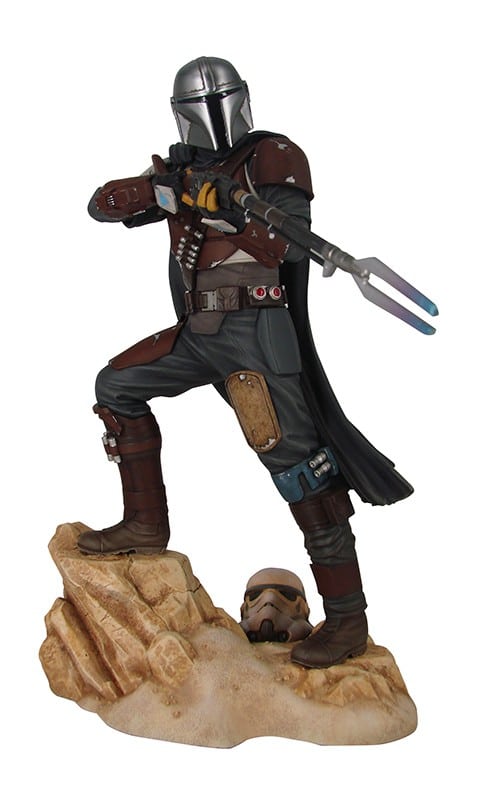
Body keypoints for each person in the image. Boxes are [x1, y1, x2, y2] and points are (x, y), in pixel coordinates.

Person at [79, 56, 413, 669]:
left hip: (254, 333)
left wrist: (229, 208)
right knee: (116, 387)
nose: (212, 116)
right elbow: (103, 205)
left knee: (302, 473)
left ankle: (347, 621)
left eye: (221, 102)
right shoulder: (180, 167)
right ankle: (145, 523)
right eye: (198, 109)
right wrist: (170, 189)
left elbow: (284, 244)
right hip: (198, 331)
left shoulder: (273, 158)